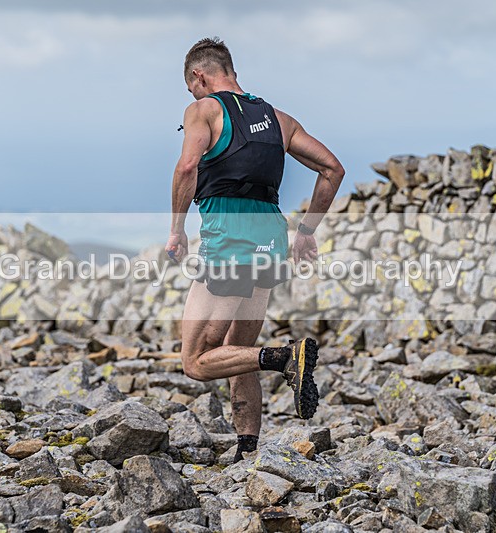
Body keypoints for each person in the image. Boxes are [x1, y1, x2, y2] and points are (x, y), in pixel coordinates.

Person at [165, 37, 344, 462]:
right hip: (270, 236)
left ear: (199, 76)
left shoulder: (203, 110)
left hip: (229, 236)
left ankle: (285, 357)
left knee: (195, 360)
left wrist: (177, 229)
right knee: (237, 350)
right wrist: (306, 232)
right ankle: (249, 453)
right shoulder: (278, 119)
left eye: (191, 88)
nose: (191, 96)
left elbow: (188, 166)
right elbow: (332, 169)